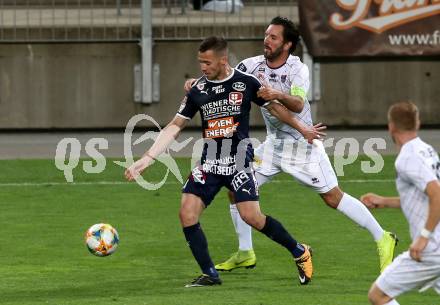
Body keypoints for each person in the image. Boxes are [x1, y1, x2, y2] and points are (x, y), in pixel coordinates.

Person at [184, 16, 397, 275]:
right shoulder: (252, 66)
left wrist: (277, 94)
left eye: (273, 37)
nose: (266, 41)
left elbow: (297, 104)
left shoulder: (298, 69)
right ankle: (245, 252)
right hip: (273, 146)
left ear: (287, 44)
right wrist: (196, 83)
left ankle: (382, 237)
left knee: (332, 197)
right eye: (266, 35)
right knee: (236, 187)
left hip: (302, 145)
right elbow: (223, 74)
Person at [125, 36, 325, 287]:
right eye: (200, 62)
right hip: (210, 163)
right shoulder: (198, 90)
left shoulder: (246, 82)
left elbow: (275, 108)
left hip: (239, 160)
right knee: (187, 214)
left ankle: (299, 251)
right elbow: (175, 126)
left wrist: (302, 128)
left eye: (207, 62)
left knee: (252, 216)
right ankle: (210, 274)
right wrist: (147, 159)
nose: (203, 67)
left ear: (223, 60)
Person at [360, 101, 440, 305]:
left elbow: (436, 194)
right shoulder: (426, 149)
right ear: (418, 123)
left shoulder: (407, 157)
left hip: (431, 250)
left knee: (378, 295)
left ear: (391, 127)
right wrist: (385, 201)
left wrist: (423, 237)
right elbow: (423, 197)